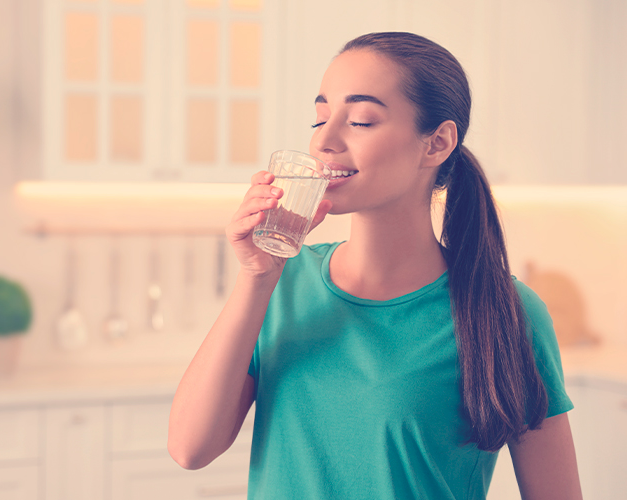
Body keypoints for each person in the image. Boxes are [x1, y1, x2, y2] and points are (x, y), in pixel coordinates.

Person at [168, 32, 582, 500]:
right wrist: (257, 279)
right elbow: (189, 449)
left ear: (437, 143)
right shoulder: (280, 284)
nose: (323, 140)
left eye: (361, 121)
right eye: (320, 117)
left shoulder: (507, 312)